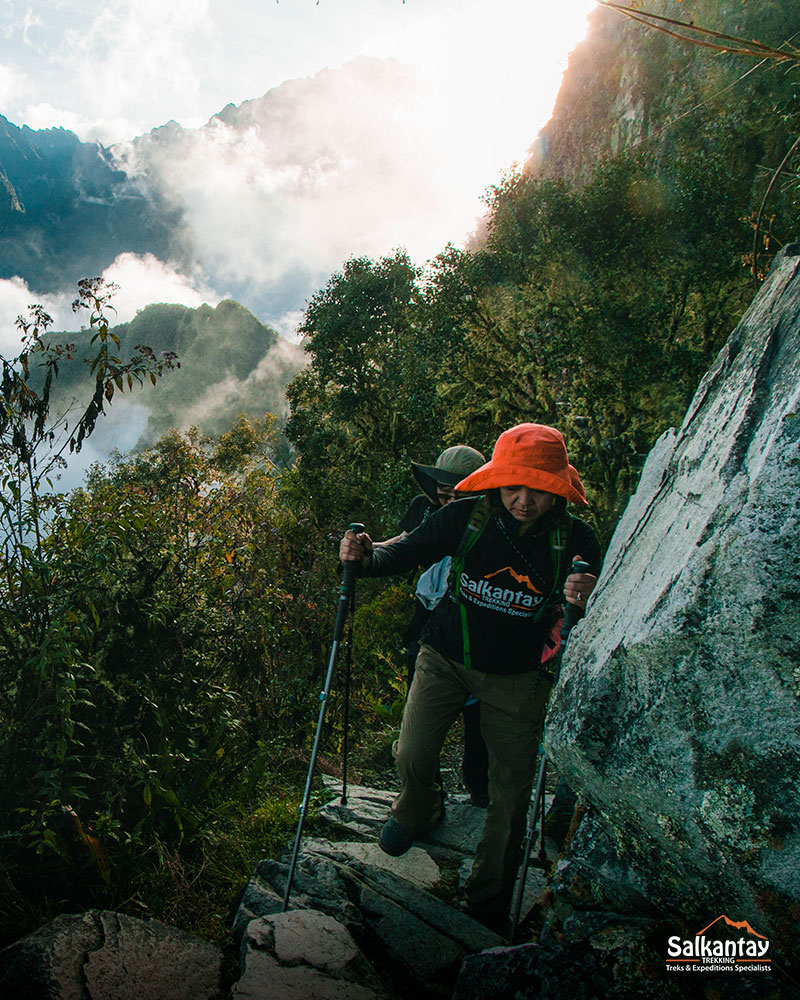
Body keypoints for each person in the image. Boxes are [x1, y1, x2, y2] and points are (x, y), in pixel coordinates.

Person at [339, 423, 601, 933]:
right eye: (513, 487)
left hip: (518, 676)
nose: (524, 500)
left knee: (511, 792)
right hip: (446, 655)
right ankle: (419, 807)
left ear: (558, 490)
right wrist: (366, 557)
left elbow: (599, 605)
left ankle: (488, 898)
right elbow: (407, 550)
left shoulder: (578, 541)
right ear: (497, 482)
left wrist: (589, 594)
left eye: (538, 490)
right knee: (411, 753)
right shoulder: (468, 515)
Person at [382, 446, 490, 807]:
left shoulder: (486, 518)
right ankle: (421, 793)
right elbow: (405, 544)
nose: (448, 494)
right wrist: (369, 553)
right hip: (428, 619)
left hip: (473, 623)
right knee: (420, 706)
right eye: (443, 488)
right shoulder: (423, 509)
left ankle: (480, 789)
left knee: (479, 722)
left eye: (458, 488)